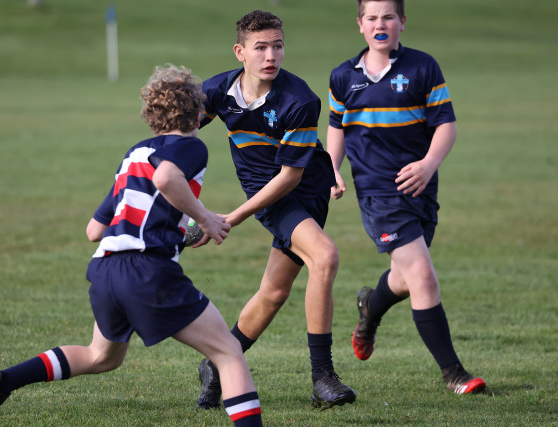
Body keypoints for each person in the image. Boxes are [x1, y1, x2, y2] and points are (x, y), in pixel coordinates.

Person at [0, 64, 263, 426]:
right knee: (229, 352)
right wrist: (203, 218)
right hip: (146, 269)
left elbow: (94, 229)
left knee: (102, 356)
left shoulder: (134, 154)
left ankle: (4, 381)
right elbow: (166, 177)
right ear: (197, 112)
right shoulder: (191, 146)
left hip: (106, 268)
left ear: (153, 115)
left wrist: (176, 228)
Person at [193, 10, 356, 410]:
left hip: (302, 189)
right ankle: (322, 377)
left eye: (277, 46)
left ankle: (217, 364)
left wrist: (229, 218)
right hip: (269, 195)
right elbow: (181, 133)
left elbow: (289, 178)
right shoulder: (218, 91)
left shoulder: (299, 100)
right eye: (260, 47)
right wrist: (175, 195)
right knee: (324, 256)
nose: (271, 56)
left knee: (274, 291)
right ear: (240, 52)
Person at [326, 0, 486, 394]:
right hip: (378, 193)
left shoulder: (422, 66)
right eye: (372, 18)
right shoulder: (343, 77)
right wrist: (332, 169)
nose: (380, 24)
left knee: (403, 278)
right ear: (360, 24)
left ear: (402, 22)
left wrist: (429, 164)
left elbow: (445, 125)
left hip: (421, 189)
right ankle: (454, 374)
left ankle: (370, 307)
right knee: (422, 276)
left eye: (388, 17)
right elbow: (337, 127)